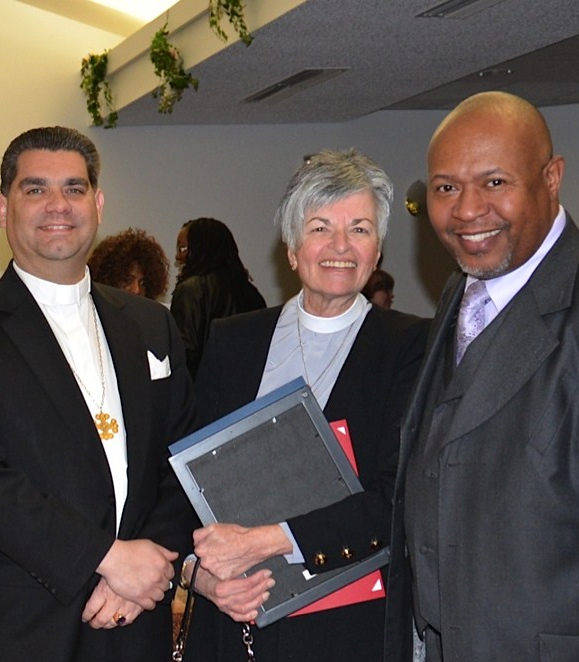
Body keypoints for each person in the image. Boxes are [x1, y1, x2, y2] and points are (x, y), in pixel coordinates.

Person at [0, 127, 195, 662]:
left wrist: (146, 567)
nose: (58, 205)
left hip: (138, 615)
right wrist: (108, 558)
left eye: (74, 188)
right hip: (26, 626)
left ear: (98, 201)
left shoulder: (151, 324)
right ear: (3, 207)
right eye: (35, 189)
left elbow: (183, 459)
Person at [385, 91, 579, 661]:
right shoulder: (463, 287)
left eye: (495, 182)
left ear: (552, 178)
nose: (468, 210)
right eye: (446, 188)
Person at [180, 150, 428, 662]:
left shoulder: (410, 346)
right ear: (291, 249)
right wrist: (200, 575)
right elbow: (188, 484)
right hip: (234, 626)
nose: (340, 247)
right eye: (320, 228)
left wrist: (269, 540)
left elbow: (399, 499)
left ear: (378, 248)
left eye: (359, 229)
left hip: (347, 632)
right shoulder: (232, 341)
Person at [170, 217, 267, 374]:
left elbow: (184, 353)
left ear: (201, 249)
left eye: (183, 248)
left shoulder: (190, 290)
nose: (178, 257)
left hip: (205, 391)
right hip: (247, 391)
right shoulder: (252, 293)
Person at [88, 227, 171, 301]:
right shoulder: (94, 315)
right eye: (128, 280)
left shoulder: (149, 317)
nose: (137, 290)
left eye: (142, 283)